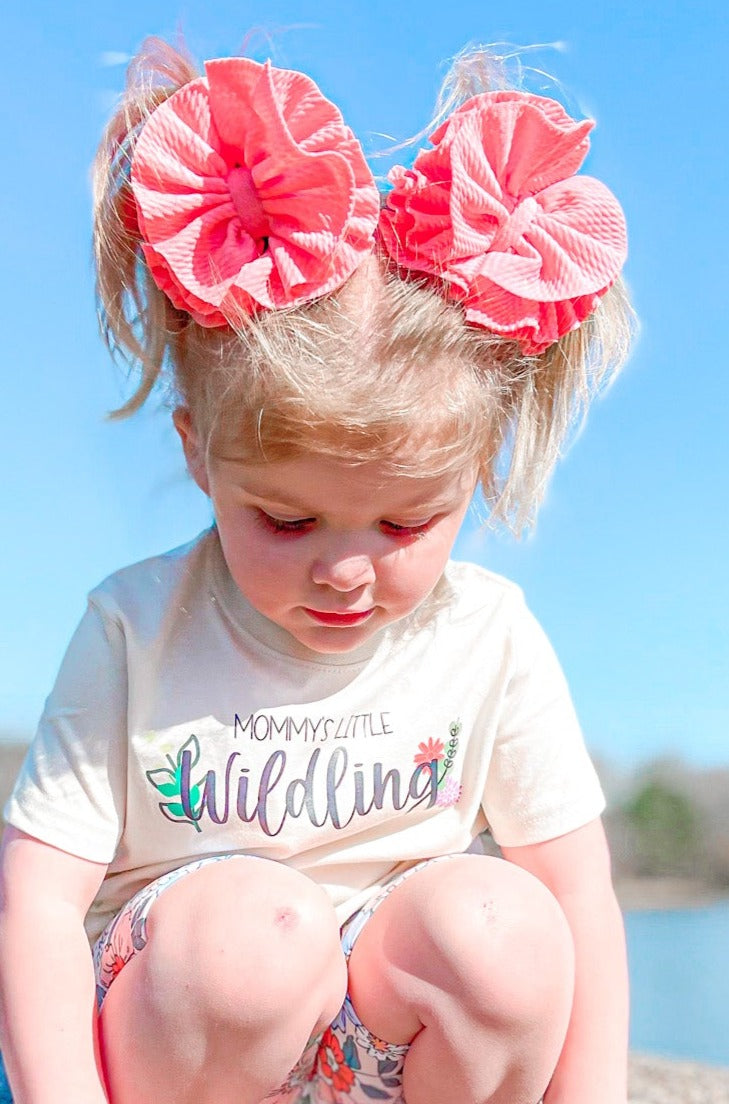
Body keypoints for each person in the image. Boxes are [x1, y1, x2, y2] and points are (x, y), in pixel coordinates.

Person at [0, 35, 634, 1104]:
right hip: (181, 1028)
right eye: (286, 519)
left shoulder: (488, 633)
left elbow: (580, 895)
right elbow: (37, 904)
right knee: (257, 938)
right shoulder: (137, 625)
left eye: (404, 523)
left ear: (473, 474)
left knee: (505, 928)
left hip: (380, 1041)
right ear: (200, 451)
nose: (346, 571)